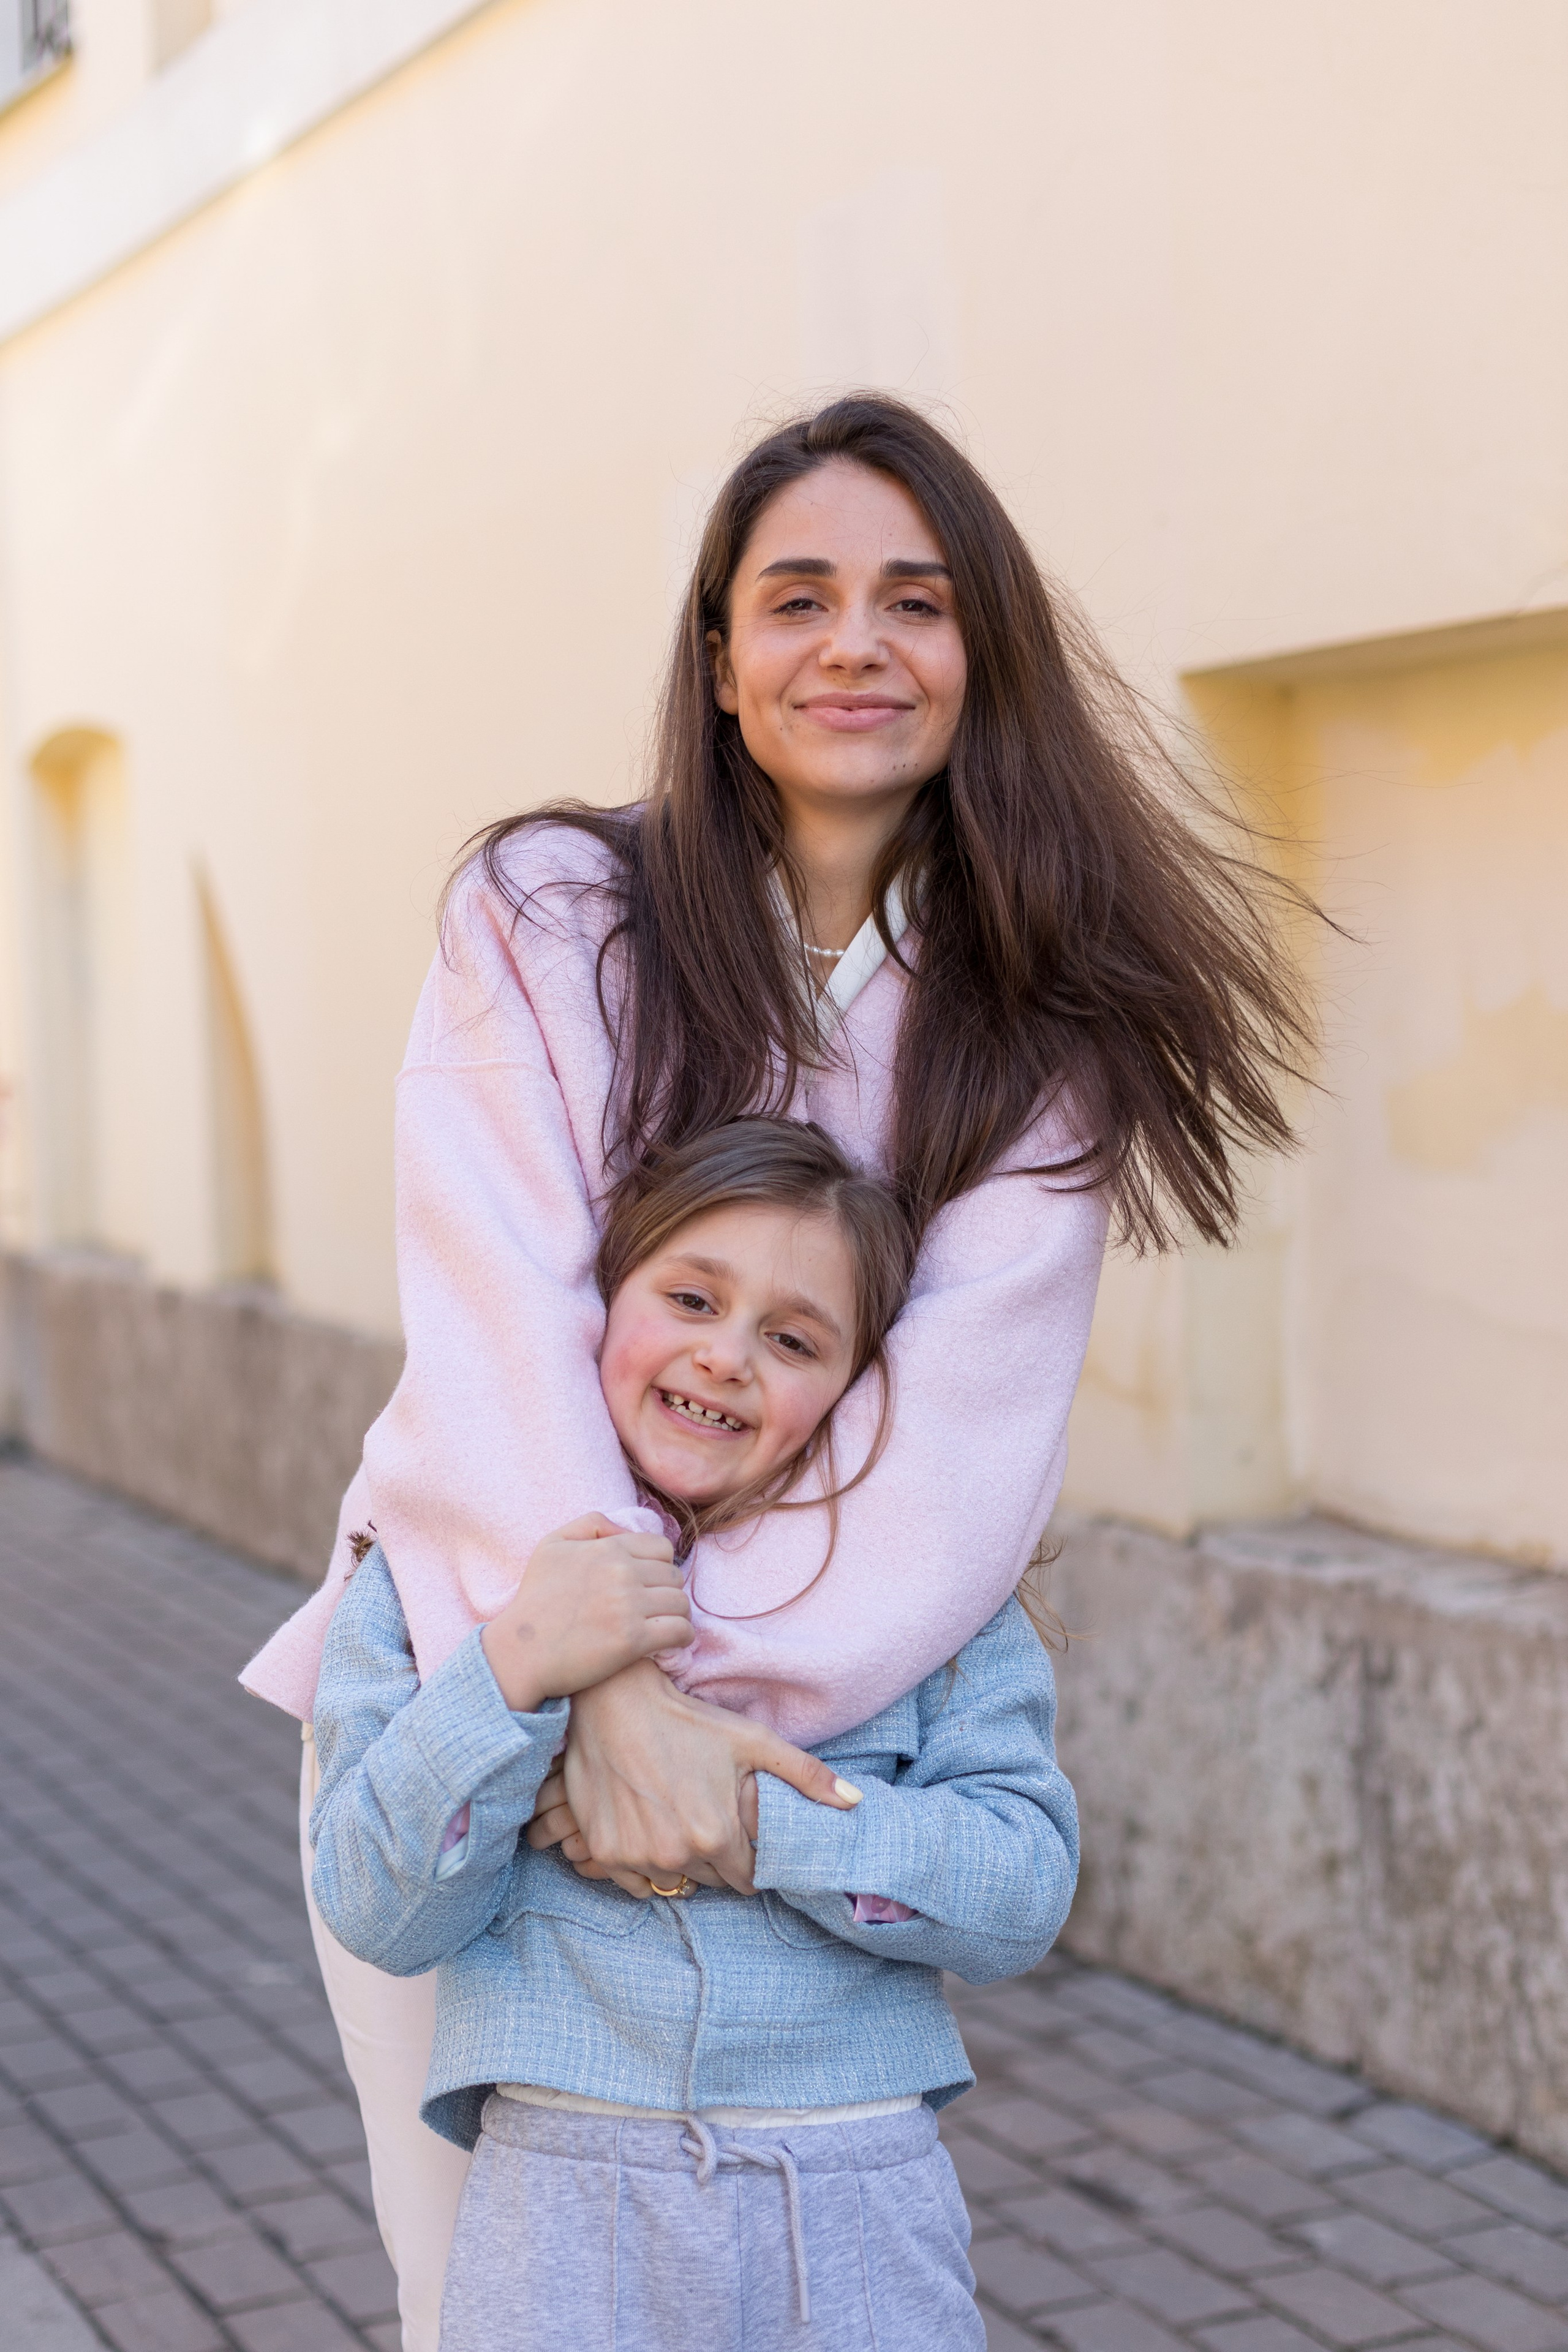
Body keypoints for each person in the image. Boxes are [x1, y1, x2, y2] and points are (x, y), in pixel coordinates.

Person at [243, 393, 1310, 2349]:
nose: (855, 645)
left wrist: (692, 1750)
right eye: (796, 598)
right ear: (721, 662)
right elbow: (497, 1325)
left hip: (823, 1742)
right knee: (466, 2274)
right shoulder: (549, 914)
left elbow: (945, 1459)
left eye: (915, 601)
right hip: (482, 1690)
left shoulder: (1036, 1030)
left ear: (979, 657)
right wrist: (594, 1692)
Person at [309, 1118, 1078, 2351]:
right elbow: (375, 1903)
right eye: (689, 1297)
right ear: (598, 1304)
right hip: (561, 2210)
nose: (725, 1358)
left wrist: (749, 1820)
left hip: (855, 2199)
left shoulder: (930, 1597)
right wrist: (511, 1673)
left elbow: (1018, 1891)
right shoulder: (437, 1569)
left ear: (853, 1387)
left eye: (791, 1339)